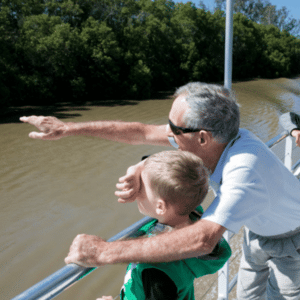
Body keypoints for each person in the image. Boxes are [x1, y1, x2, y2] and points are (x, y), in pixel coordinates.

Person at [20, 82, 300, 299]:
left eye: (174, 129)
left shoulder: (243, 169)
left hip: (293, 241)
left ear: (202, 137)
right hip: (257, 230)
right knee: (247, 294)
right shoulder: (219, 138)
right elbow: (141, 132)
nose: (167, 133)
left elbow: (203, 239)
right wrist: (68, 128)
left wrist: (103, 252)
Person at [96, 150, 231, 300]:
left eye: (141, 186)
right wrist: (136, 169)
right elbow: (172, 167)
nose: (137, 188)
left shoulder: (157, 270)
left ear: (160, 206)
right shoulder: (192, 214)